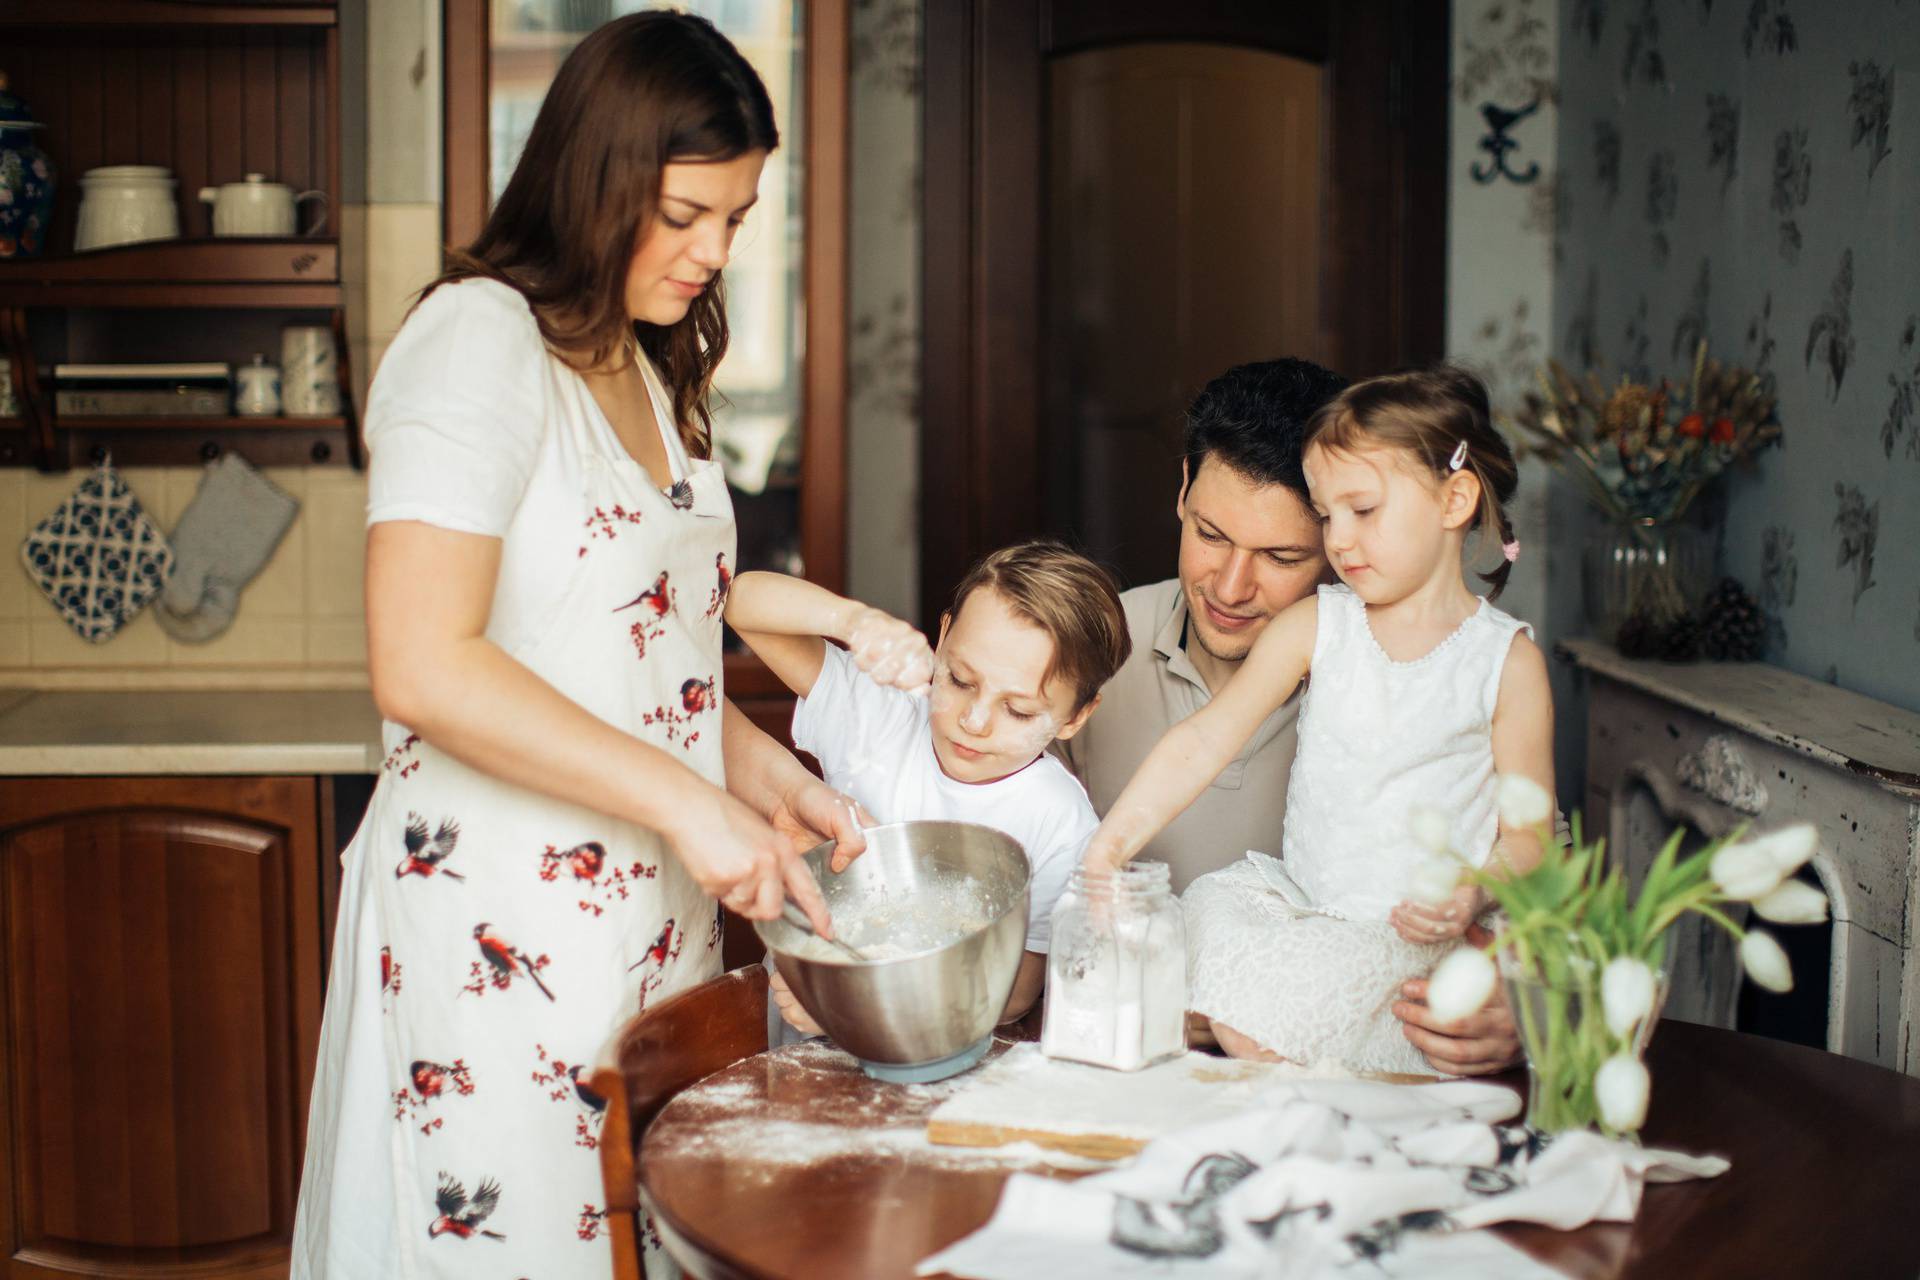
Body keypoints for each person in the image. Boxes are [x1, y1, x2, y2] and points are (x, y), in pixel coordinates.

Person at [292, 16, 864, 1278]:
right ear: (596, 179)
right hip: (504, 921)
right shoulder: (478, 339)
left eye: (738, 215)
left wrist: (775, 783)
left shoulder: (645, 363)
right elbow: (423, 664)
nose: (715, 250)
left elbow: (639, 659)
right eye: (684, 212)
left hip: (650, 912)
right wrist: (688, 803)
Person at [1083, 365, 1555, 1074]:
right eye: (1212, 535)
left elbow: (1536, 846)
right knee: (1223, 986)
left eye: (1283, 553)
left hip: (1409, 945)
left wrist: (1511, 984)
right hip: (1292, 930)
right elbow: (1201, 741)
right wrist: (1106, 851)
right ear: (1182, 492)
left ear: (1453, 500)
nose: (1236, 586)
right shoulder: (1093, 647)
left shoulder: (1502, 665)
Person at [726, 540, 1130, 1034]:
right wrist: (855, 622)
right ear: (942, 638)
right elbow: (741, 602)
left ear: (1076, 716)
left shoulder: (1061, 821)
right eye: (960, 679)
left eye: (1018, 710)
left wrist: (854, 1003)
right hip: (799, 1024)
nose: (974, 720)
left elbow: (1015, 994)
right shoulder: (878, 712)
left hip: (934, 1046)